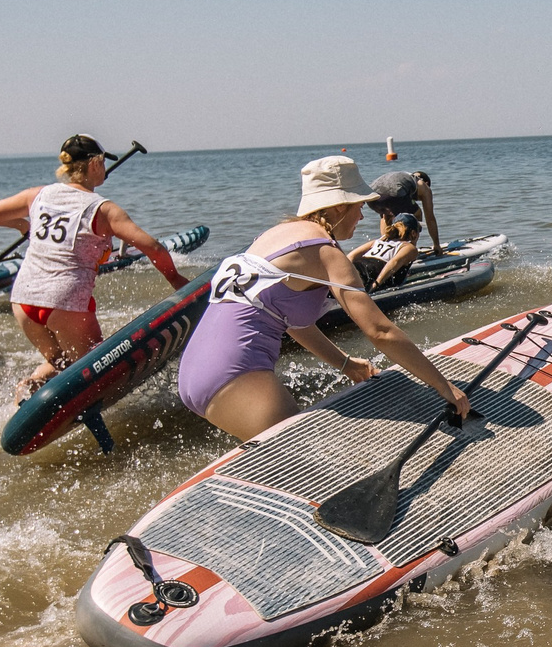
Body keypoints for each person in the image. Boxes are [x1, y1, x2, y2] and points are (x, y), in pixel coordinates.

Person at [174, 155, 474, 442]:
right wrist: (443, 385)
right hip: (236, 373)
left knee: (279, 469)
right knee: (309, 464)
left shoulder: (274, 236)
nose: (361, 216)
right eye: (357, 205)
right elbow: (380, 331)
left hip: (194, 371)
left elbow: (291, 322)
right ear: (337, 207)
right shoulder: (325, 252)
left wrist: (345, 364)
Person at [0, 134, 186, 395]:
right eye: (103, 163)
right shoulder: (103, 209)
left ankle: (27, 390)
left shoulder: (38, 195)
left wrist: (25, 226)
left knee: (62, 365)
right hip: (64, 301)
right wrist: (175, 279)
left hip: (23, 298)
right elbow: (153, 247)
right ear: (96, 164)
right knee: (97, 374)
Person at [368, 167, 442, 250]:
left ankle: (385, 247)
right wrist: (436, 244)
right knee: (417, 214)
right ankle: (410, 249)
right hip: (394, 193)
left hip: (371, 197)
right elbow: (430, 218)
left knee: (386, 217)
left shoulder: (405, 178)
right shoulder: (423, 185)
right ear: (427, 183)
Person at [350, 213, 423, 292]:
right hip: (369, 274)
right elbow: (394, 262)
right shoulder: (409, 247)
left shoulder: (377, 241)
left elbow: (351, 256)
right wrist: (376, 284)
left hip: (356, 267)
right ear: (414, 233)